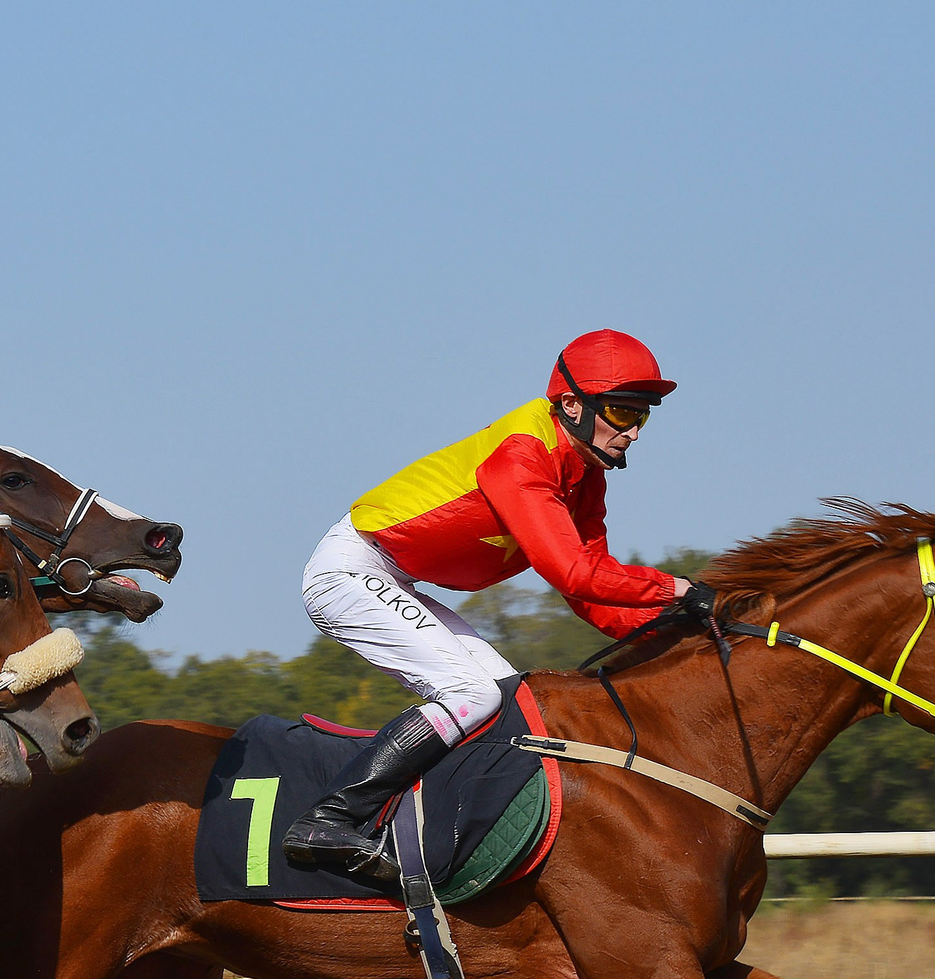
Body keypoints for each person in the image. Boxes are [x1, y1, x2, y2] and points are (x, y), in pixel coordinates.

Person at [281, 329, 697, 886]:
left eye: (643, 415)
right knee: (472, 694)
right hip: (350, 571)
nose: (634, 431)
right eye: (622, 412)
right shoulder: (523, 454)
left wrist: (676, 632)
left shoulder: (584, 473)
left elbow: (591, 593)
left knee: (510, 702)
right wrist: (678, 590)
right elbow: (574, 572)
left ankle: (436, 835)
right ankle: (329, 821)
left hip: (394, 576)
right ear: (571, 405)